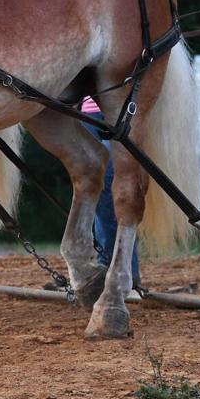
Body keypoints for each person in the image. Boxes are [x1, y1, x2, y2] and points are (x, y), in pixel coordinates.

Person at [82, 97, 142, 301]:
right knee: (94, 188)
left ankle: (122, 269)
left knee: (109, 183)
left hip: (120, 108)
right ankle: (109, 266)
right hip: (87, 112)